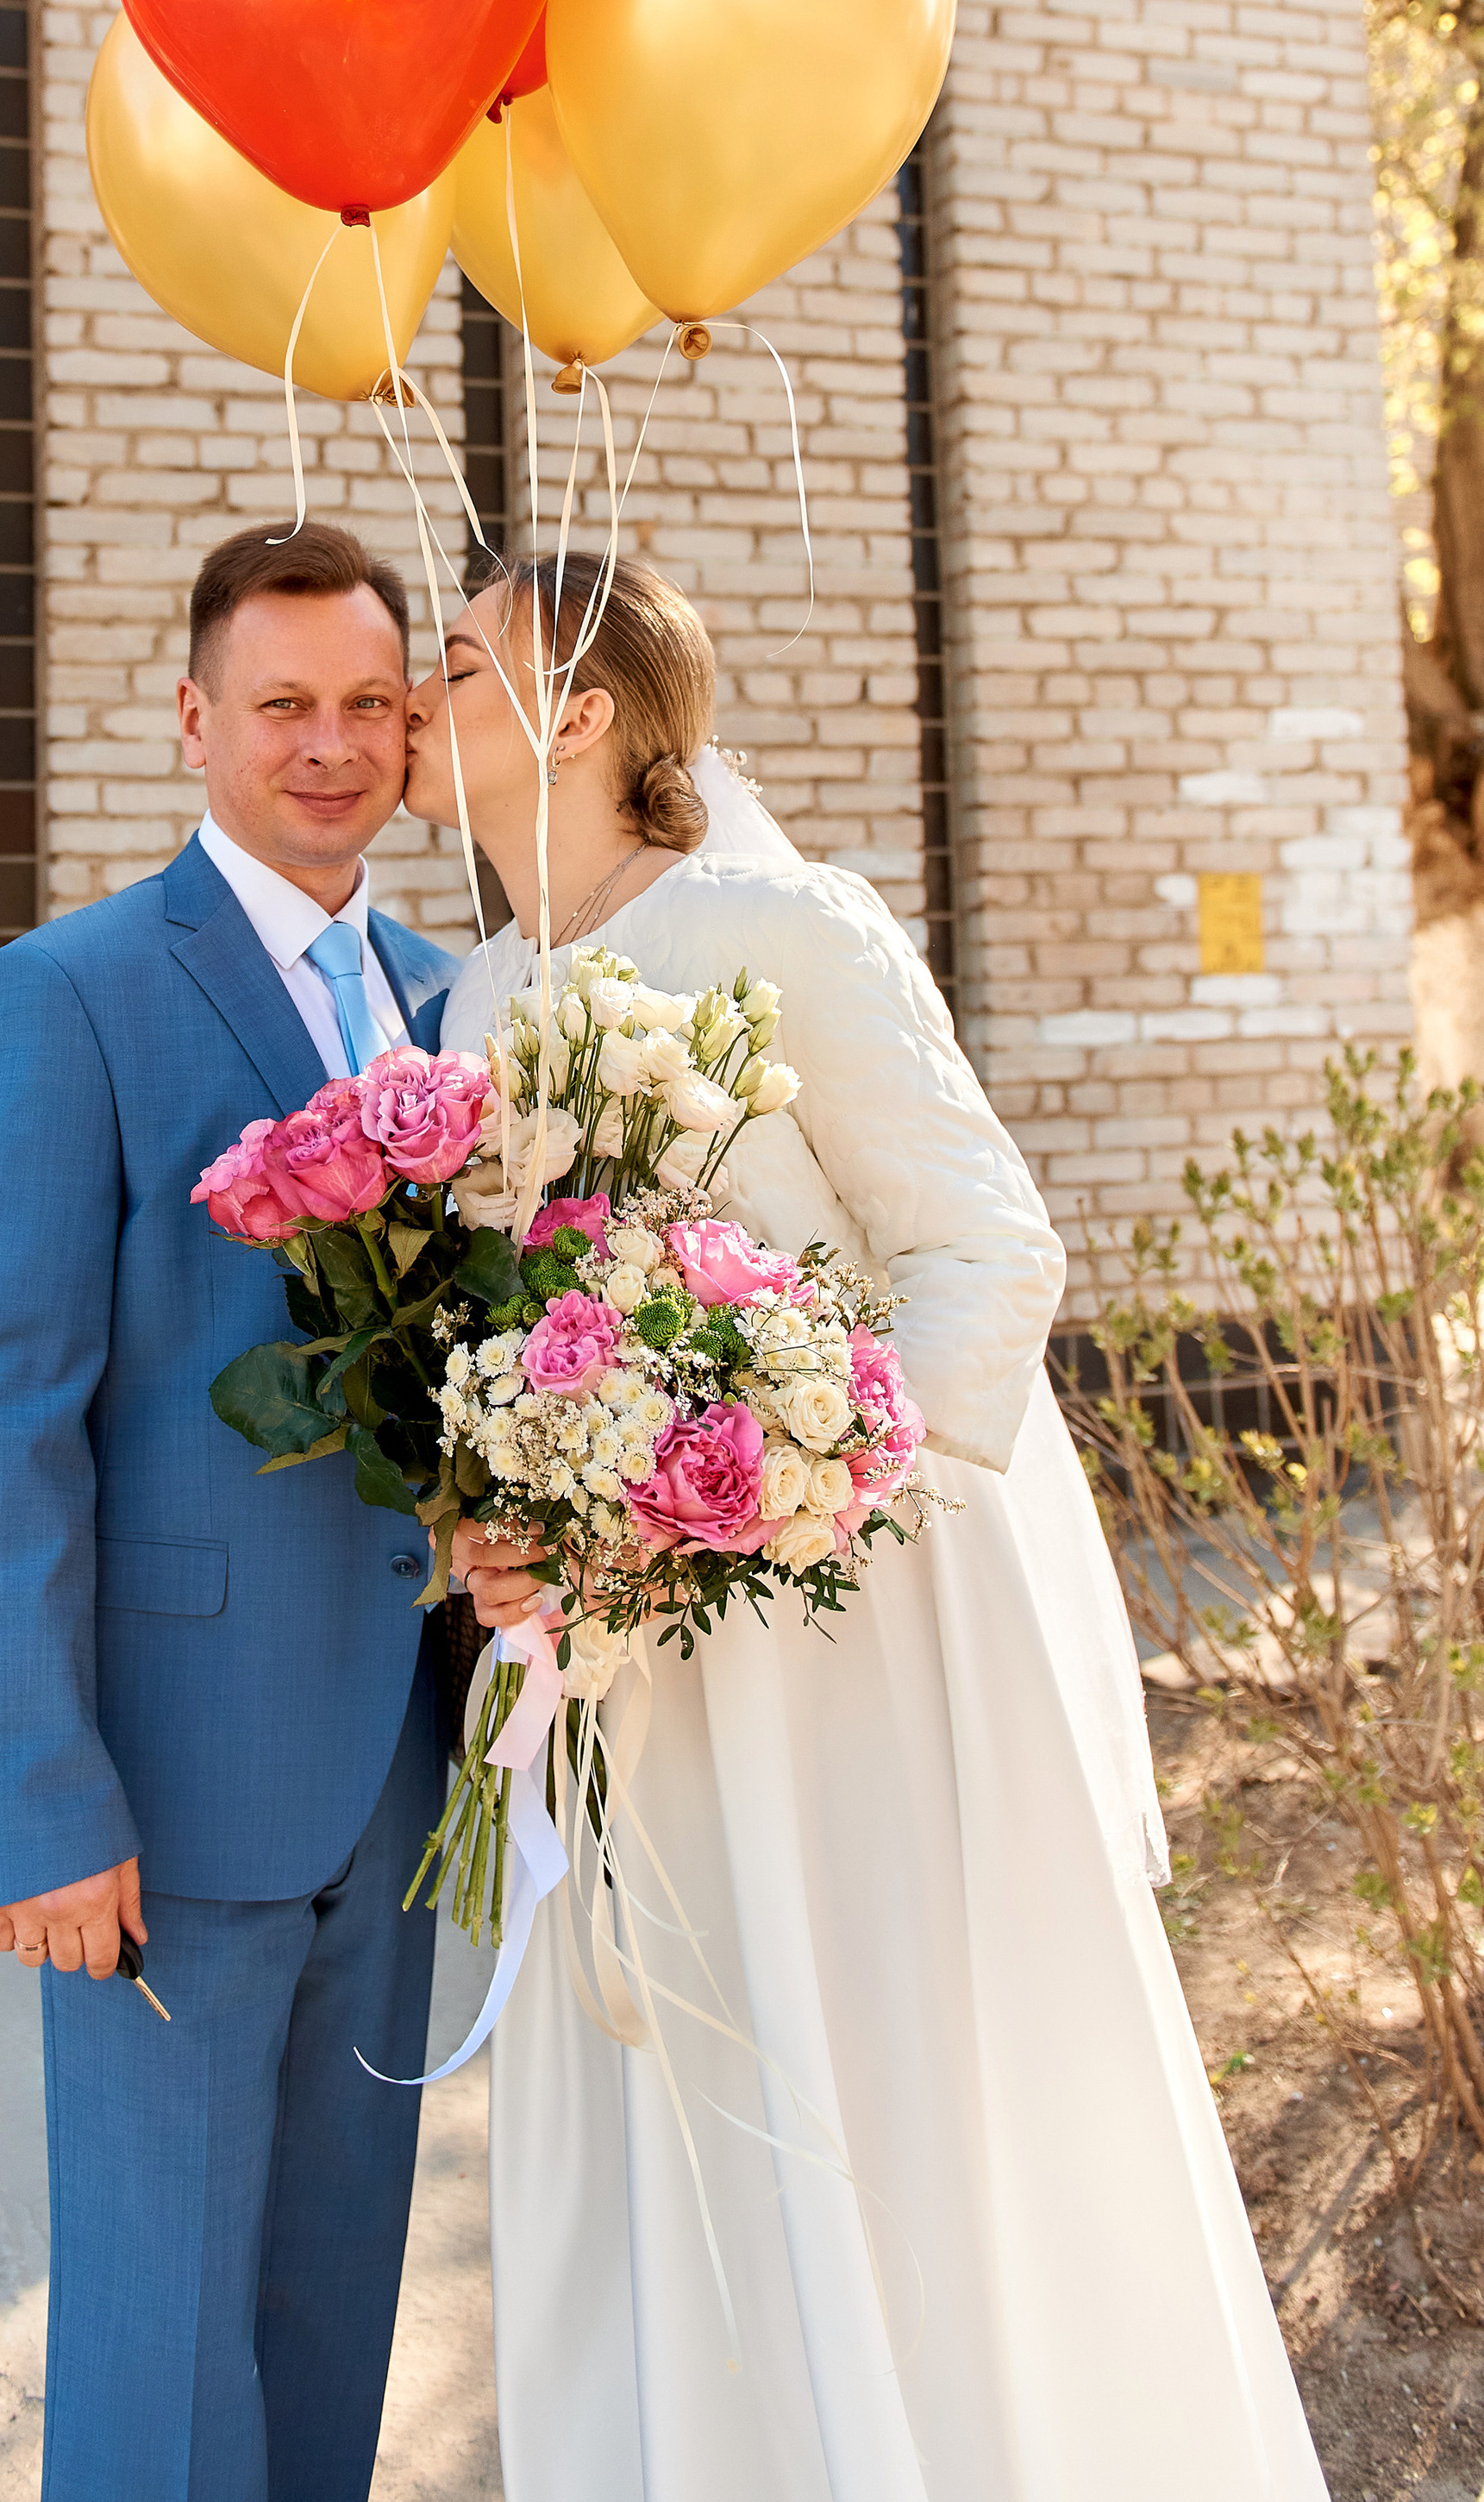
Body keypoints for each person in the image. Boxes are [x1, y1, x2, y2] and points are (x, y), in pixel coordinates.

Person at [406, 549, 1331, 2502]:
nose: (416, 696)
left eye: (456, 663)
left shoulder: (780, 926)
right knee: (661, 2097)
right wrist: (494, 1525)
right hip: (611, 1671)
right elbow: (501, 1343)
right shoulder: (476, 990)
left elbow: (985, 1260)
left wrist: (732, 1496)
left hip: (837, 1634)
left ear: (575, 714)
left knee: (861, 2086)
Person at [0, 520, 459, 2502]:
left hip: (393, 1779)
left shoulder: (446, 997)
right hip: (161, 1803)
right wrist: (39, 1805)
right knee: (158, 2340)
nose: (329, 746)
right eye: (282, 705)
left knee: (332, 2296)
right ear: (192, 721)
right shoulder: (72, 995)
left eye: (368, 705)